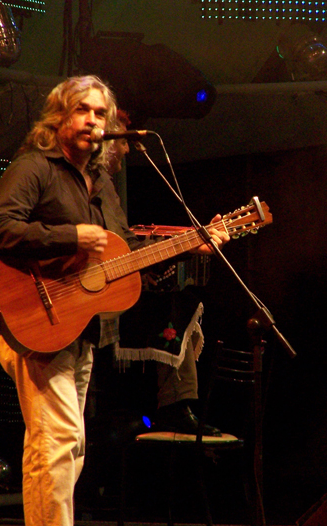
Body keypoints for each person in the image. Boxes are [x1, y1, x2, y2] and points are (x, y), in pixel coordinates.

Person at [0, 75, 228, 526]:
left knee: (69, 447)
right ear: (59, 116)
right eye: (82, 110)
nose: (93, 121)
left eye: (100, 113)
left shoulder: (102, 183)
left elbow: (126, 255)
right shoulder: (35, 167)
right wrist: (69, 235)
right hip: (35, 321)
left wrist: (188, 244)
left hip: (80, 328)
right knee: (57, 439)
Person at [98, 109, 221, 437]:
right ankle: (173, 406)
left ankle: (177, 405)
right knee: (172, 307)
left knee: (182, 301)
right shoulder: (70, 181)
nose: (127, 150)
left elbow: (123, 246)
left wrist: (144, 270)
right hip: (81, 301)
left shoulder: (106, 189)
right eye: (123, 142)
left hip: (105, 289)